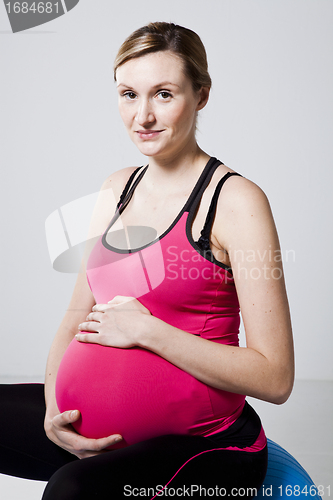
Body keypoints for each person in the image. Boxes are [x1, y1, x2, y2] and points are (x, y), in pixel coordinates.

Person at [0, 22, 294, 499]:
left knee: (70, 491)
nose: (143, 116)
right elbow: (75, 317)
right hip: (97, 434)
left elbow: (276, 376)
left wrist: (147, 332)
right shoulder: (117, 188)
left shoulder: (236, 202)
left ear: (200, 95)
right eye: (128, 94)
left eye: (162, 94)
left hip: (206, 444)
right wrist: (56, 413)